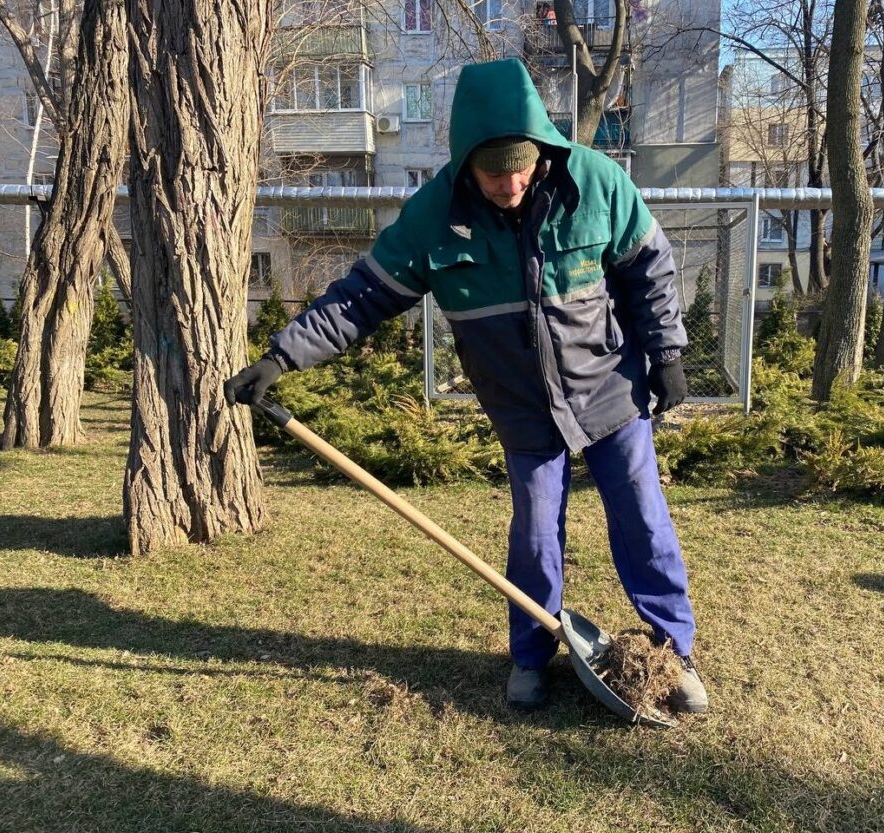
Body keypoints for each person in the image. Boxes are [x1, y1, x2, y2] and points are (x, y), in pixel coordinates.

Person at [225, 58, 707, 714]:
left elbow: (650, 271)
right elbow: (361, 296)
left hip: (609, 389)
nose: (509, 182)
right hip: (521, 406)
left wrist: (666, 354)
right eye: (491, 170)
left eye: (520, 165)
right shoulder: (432, 217)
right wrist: (282, 357)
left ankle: (670, 655)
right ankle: (532, 653)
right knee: (535, 535)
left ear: (541, 149)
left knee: (643, 520)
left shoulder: (595, 184)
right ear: (463, 163)